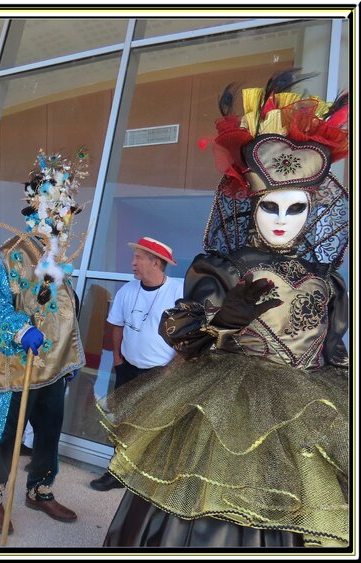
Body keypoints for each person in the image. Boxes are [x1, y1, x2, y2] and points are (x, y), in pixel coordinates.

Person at [99, 72, 349, 547]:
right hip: (225, 402)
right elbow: (181, 332)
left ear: (313, 211)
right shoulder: (223, 268)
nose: (281, 220)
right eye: (270, 206)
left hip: (309, 409)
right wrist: (221, 321)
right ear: (252, 205)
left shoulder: (329, 279)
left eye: (295, 209)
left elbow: (335, 351)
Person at [0, 149, 87, 535]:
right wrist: (22, 329)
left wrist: (71, 357)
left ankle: (39, 489)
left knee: (49, 432)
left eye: (66, 211)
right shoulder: (10, 256)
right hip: (19, 365)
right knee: (7, 434)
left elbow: (67, 309)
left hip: (54, 367)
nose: (62, 217)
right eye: (55, 208)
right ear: (36, 208)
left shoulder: (60, 260)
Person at [89, 237, 183, 491]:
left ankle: (147, 479)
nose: (133, 262)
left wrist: (173, 368)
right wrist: (118, 359)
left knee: (153, 425)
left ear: (156, 262)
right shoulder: (127, 291)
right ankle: (116, 473)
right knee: (123, 421)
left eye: (138, 258)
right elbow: (116, 326)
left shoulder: (178, 293)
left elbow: (188, 335)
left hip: (161, 372)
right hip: (128, 367)